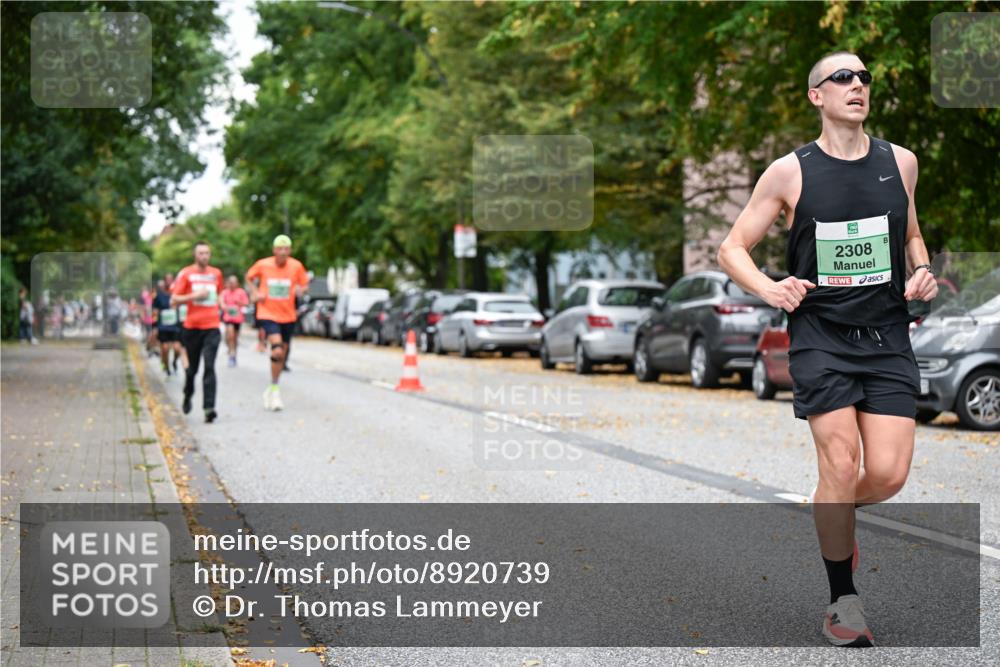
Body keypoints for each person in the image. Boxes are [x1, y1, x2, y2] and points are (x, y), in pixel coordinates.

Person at [717, 52, 937, 648]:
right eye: (842, 77)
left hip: (887, 335)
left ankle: (831, 513)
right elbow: (732, 248)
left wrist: (922, 271)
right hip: (820, 338)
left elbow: (912, 234)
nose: (857, 85)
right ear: (816, 95)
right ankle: (843, 601)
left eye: (864, 77)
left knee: (887, 475)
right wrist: (770, 288)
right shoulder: (789, 172)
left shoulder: (902, 163)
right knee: (839, 465)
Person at [246, 234, 309, 411]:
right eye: (279, 249)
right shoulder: (263, 264)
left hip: (288, 315)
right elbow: (249, 277)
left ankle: (273, 385)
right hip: (267, 313)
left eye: (286, 249)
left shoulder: (296, 266)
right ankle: (275, 392)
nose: (282, 252)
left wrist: (300, 291)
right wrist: (255, 292)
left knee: (282, 354)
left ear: (290, 250)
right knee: (278, 349)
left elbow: (305, 285)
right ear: (274, 250)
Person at [171, 241, 224, 423]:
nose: (204, 256)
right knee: (191, 370)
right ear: (195, 255)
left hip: (212, 327)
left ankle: (209, 408)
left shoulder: (216, 274)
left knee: (209, 366)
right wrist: (194, 296)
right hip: (192, 328)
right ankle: (188, 394)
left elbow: (219, 294)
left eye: (207, 253)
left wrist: (223, 303)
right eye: (201, 253)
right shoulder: (186, 274)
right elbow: (175, 299)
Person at [152, 279, 182, 375]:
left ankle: (174, 361)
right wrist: (155, 325)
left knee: (177, 349)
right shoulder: (158, 296)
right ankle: (166, 367)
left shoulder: (177, 295)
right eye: (167, 280)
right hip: (163, 327)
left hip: (175, 327)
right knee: (165, 348)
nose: (169, 283)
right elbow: (155, 311)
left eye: (171, 280)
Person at [220, 275, 249, 367]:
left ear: (237, 283)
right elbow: (221, 302)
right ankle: (231, 354)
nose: (232, 284)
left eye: (234, 282)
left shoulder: (241, 292)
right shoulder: (224, 292)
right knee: (230, 335)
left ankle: (233, 354)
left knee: (235, 338)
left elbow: (246, 303)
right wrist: (223, 306)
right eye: (230, 282)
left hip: (238, 318)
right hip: (228, 318)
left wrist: (239, 302)